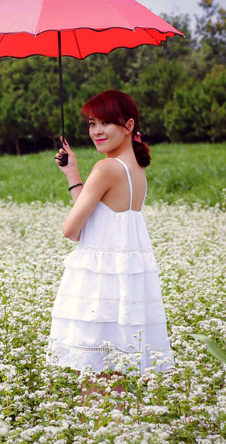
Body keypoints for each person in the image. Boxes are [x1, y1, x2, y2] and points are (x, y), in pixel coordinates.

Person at [47, 90, 174, 397]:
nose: (96, 131)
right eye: (92, 123)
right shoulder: (137, 170)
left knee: (95, 380)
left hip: (99, 286)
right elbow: (96, 221)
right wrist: (73, 173)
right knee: (112, 375)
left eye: (106, 123)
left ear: (128, 125)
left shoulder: (106, 169)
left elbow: (72, 230)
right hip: (121, 285)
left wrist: (78, 177)